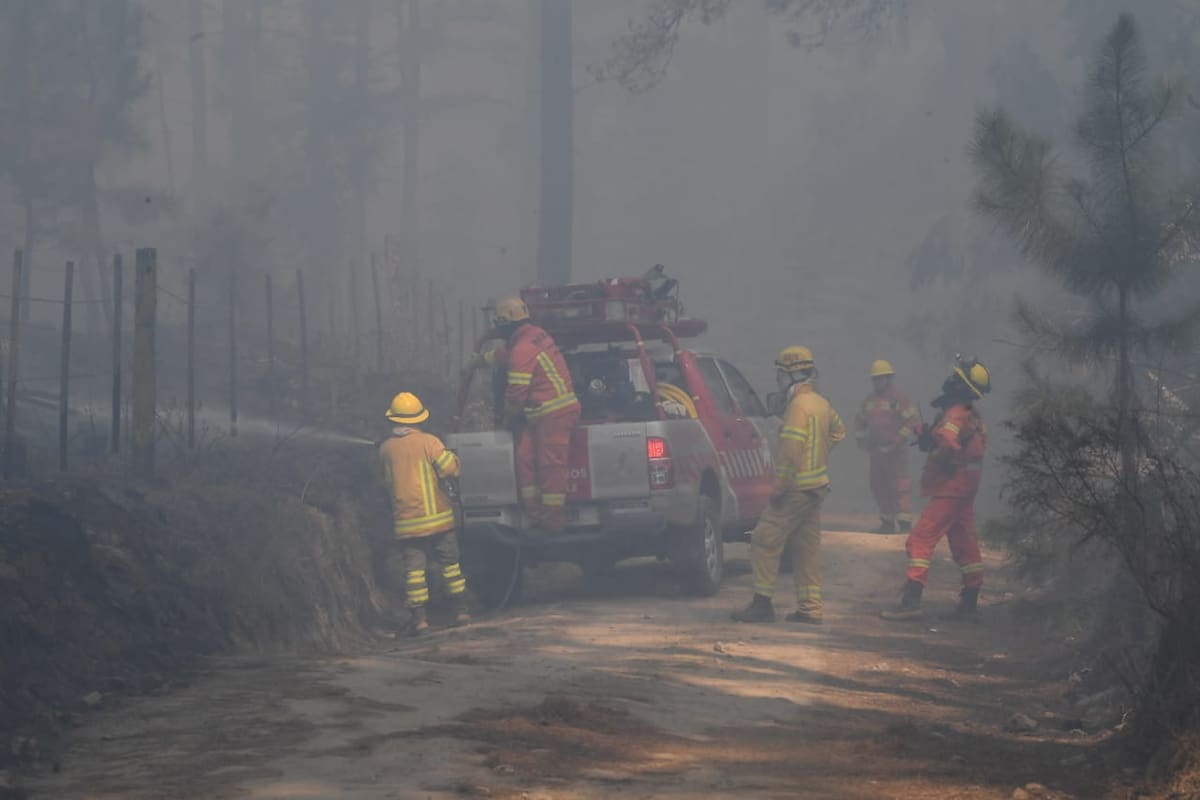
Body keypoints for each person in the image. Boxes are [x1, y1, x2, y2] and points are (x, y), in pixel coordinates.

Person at [732, 346, 846, 625]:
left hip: (795, 489)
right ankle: (810, 609)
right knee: (806, 549)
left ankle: (761, 605)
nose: (778, 380)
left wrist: (779, 487)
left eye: (781, 374)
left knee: (763, 539)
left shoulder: (797, 407)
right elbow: (839, 432)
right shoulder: (821, 402)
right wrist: (818, 453)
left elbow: (790, 452)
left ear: (792, 374)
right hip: (816, 488)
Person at [881, 356, 991, 622]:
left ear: (960, 386)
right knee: (965, 543)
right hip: (964, 490)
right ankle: (970, 599)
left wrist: (946, 454)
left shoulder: (955, 413)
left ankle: (911, 600)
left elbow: (949, 439)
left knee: (919, 539)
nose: (948, 381)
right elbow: (952, 439)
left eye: (955, 378)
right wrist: (927, 435)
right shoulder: (968, 413)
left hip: (950, 490)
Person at [378, 392, 469, 636]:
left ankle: (420, 621)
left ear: (394, 420)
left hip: (407, 524)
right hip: (439, 521)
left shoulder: (385, 450)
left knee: (414, 574)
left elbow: (383, 483)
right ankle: (460, 612)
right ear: (419, 418)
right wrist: (452, 456)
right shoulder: (430, 442)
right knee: (450, 567)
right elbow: (450, 469)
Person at [492, 296, 581, 533]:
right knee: (524, 458)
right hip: (541, 414)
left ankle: (552, 524)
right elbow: (507, 355)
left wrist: (508, 417)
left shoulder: (523, 348)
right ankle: (534, 514)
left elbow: (516, 393)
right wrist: (481, 360)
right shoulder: (534, 336)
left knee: (551, 468)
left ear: (504, 324)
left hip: (554, 414)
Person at [855, 360, 920, 533]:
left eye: (881, 378)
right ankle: (887, 522)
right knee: (878, 485)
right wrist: (862, 442)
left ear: (888, 378)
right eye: (875, 379)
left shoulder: (899, 398)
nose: (877, 382)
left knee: (899, 485)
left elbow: (912, 421)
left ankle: (904, 522)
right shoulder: (869, 401)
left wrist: (898, 441)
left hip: (896, 452)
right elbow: (859, 421)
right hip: (877, 452)